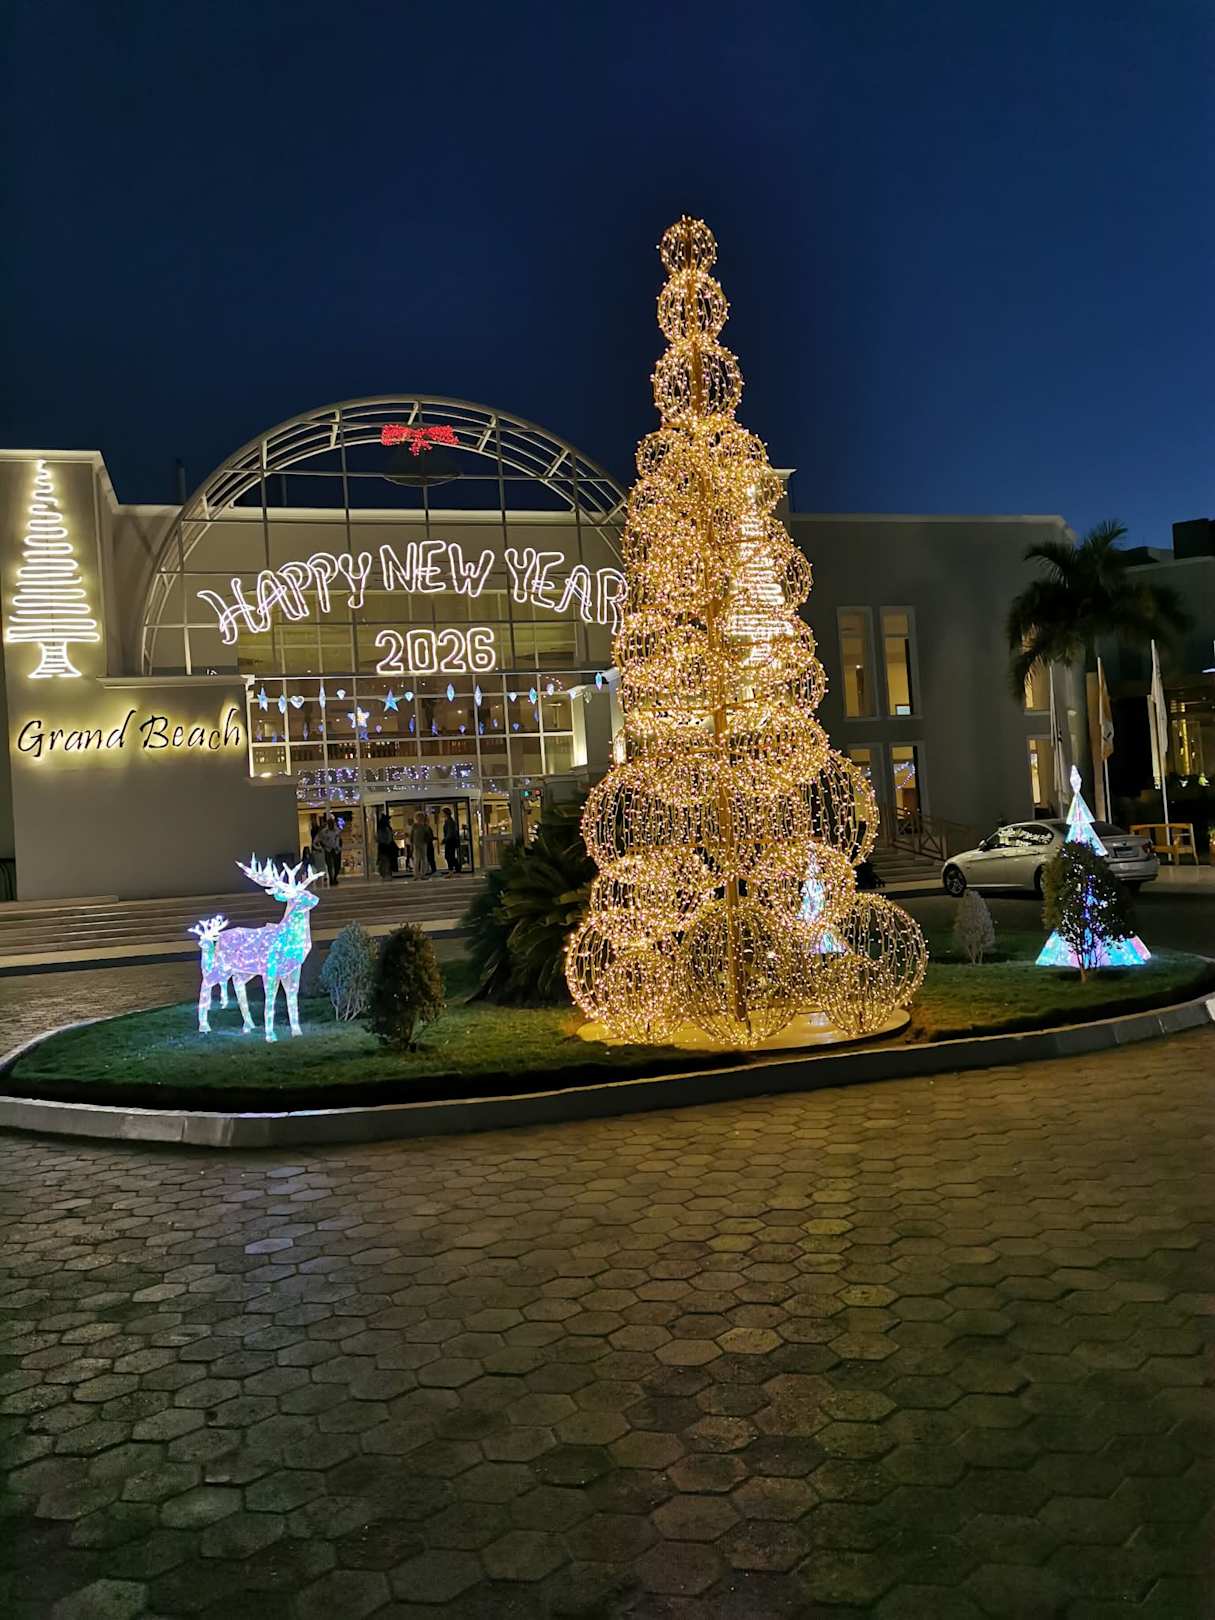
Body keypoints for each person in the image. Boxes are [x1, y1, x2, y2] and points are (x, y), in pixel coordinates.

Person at [317, 815, 342, 886]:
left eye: (332, 823)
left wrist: (339, 847)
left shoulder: (337, 831)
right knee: (329, 865)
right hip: (328, 850)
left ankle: (335, 877)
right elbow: (320, 840)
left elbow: (339, 839)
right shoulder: (324, 832)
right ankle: (331, 878)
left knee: (337, 865)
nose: (331, 825)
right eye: (330, 823)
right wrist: (324, 846)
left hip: (336, 849)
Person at [376, 811, 396, 881]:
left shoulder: (382, 829)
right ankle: (386, 875)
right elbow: (386, 839)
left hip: (384, 847)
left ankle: (385, 875)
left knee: (385, 861)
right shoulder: (384, 829)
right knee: (386, 861)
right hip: (385, 847)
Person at [410, 812, 430, 881]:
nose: (420, 818)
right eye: (418, 817)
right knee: (416, 859)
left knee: (424, 859)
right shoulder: (414, 826)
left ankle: (422, 874)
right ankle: (416, 875)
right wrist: (411, 844)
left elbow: (428, 835)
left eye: (421, 817)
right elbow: (411, 836)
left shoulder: (425, 826)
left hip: (423, 844)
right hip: (416, 844)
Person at [441, 809, 461, 876]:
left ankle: (454, 870)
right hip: (450, 840)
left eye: (443, 813)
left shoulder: (449, 822)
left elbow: (450, 832)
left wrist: (445, 840)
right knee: (450, 856)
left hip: (450, 841)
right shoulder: (449, 821)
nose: (442, 814)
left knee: (449, 856)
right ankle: (454, 870)